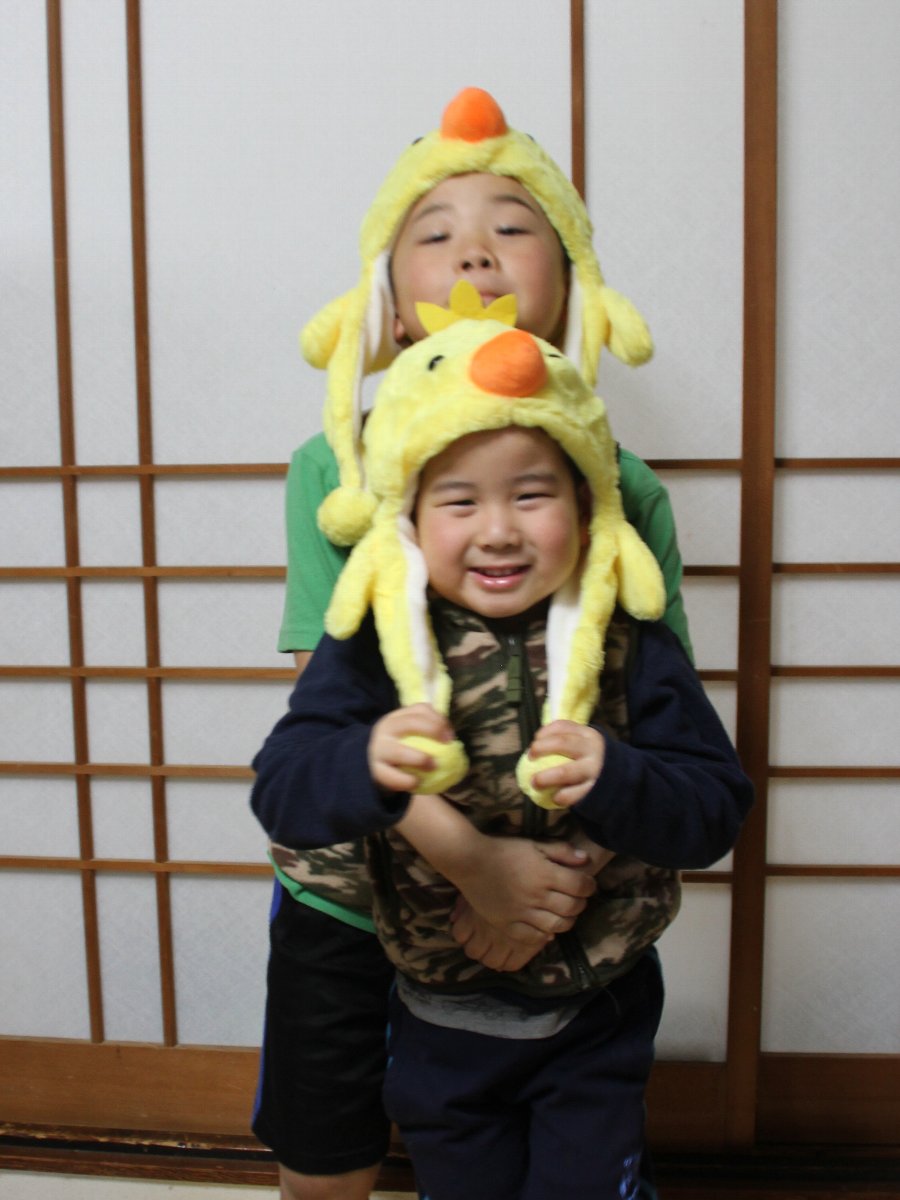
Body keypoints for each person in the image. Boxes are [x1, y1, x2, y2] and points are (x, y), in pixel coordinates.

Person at [253, 87, 693, 1200]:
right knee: (329, 1150)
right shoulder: (334, 470)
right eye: (435, 233)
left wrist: (556, 883)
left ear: (572, 290)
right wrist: (474, 864)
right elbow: (324, 715)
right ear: (388, 308)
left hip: (564, 893)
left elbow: (659, 718)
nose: (475, 253)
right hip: (355, 880)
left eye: (512, 226)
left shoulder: (619, 490)